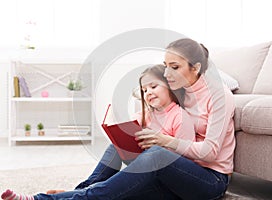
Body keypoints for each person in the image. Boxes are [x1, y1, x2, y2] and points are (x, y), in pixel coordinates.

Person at [2, 38, 236, 200]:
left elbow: (210, 152)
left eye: (174, 67)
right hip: (177, 172)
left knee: (155, 156)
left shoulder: (219, 96)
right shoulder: (181, 91)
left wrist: (163, 141)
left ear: (195, 68)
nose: (167, 73)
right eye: (166, 66)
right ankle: (79, 192)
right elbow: (155, 103)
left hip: (209, 182)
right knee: (119, 158)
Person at [1, 64, 195, 200]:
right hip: (144, 169)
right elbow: (130, 137)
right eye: (144, 90)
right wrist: (120, 132)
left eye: (154, 86)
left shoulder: (179, 117)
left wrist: (159, 143)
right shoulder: (147, 115)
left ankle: (41, 199)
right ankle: (77, 192)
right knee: (112, 150)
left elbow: (183, 160)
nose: (148, 93)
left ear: (171, 86)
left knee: (105, 192)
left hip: (163, 180)